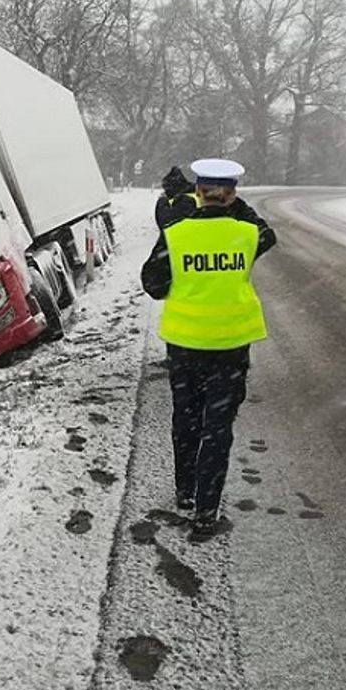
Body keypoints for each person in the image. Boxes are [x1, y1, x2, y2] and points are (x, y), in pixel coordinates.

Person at [140, 158, 276, 537]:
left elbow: (152, 283)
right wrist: (235, 207)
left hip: (185, 345)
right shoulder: (247, 234)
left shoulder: (175, 234)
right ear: (232, 195)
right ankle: (206, 509)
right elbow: (268, 234)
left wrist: (186, 283)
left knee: (187, 418)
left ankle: (184, 490)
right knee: (218, 428)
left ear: (197, 192)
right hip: (230, 347)